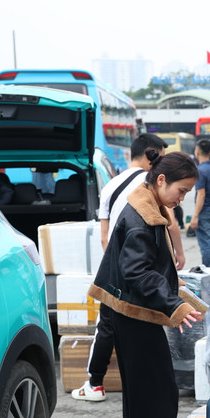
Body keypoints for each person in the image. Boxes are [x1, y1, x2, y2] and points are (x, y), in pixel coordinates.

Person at [88, 150, 202, 418]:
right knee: (160, 390)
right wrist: (173, 304)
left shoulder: (147, 206)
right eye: (181, 191)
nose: (181, 200)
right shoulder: (142, 215)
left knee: (140, 391)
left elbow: (146, 266)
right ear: (162, 180)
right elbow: (137, 271)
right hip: (135, 312)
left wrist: (173, 287)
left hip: (129, 310)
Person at [72, 133, 186, 402]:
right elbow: (170, 225)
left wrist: (115, 265)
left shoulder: (111, 184)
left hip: (116, 275)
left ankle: (95, 383)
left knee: (107, 328)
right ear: (150, 155)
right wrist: (177, 255)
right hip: (143, 274)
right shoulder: (151, 188)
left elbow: (104, 236)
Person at [189, 138, 210, 269]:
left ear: (197, 152)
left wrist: (195, 216)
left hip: (204, 212)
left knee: (206, 245)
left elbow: (201, 194)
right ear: (209, 152)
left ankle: (208, 273)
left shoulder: (200, 171)